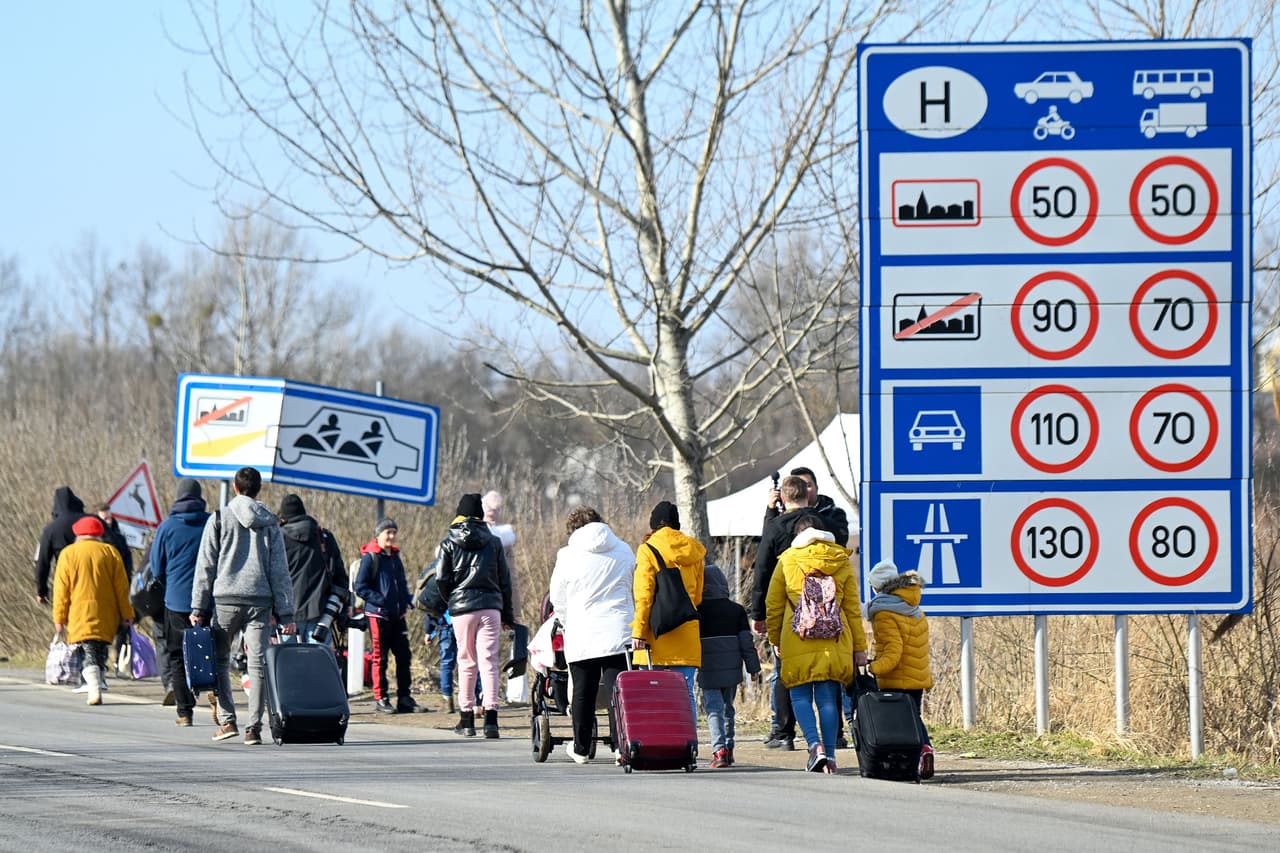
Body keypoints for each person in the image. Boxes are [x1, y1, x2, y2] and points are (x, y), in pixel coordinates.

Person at [190, 466, 296, 746]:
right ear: (258, 489)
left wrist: (198, 607)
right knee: (258, 663)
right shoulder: (270, 523)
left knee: (221, 661)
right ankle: (253, 728)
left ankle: (227, 722)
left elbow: (205, 566)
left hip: (225, 600)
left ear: (235, 488)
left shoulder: (219, 518)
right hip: (260, 602)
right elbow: (279, 571)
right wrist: (286, 612)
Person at [766, 515, 866, 774]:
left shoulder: (787, 560)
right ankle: (830, 756)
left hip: (796, 635)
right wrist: (859, 648)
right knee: (827, 698)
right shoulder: (840, 560)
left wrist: (775, 638)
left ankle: (814, 745)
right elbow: (853, 609)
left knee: (799, 695)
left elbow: (774, 604)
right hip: (835, 639)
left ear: (797, 536)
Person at [548, 506, 635, 764]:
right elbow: (633, 586)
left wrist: (566, 621)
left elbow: (558, 597)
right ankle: (622, 746)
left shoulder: (567, 555)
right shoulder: (624, 549)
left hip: (582, 631)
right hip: (618, 630)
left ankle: (582, 748)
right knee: (616, 692)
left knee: (583, 693)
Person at [437, 493, 514, 739]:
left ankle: (466, 719)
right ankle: (491, 720)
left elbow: (441, 578)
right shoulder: (494, 542)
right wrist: (507, 614)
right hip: (491, 607)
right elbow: (505, 580)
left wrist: (451, 599)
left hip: (462, 610)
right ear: (480, 515)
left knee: (466, 661)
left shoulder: (448, 542)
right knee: (489, 662)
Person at [751, 475, 817, 750]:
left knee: (784, 671)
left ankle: (784, 732)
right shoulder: (821, 525)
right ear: (808, 493)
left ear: (783, 498)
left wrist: (759, 613)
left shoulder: (777, 526)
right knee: (826, 673)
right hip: (824, 607)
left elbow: (762, 568)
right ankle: (833, 733)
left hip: (789, 608)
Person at [631, 500, 704, 727]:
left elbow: (644, 596)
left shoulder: (648, 550)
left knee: (653, 695)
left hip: (656, 637)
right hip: (686, 633)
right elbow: (698, 597)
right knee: (685, 694)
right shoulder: (694, 550)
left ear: (653, 525)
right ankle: (688, 744)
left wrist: (639, 633)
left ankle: (657, 742)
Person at [51, 516, 133, 706]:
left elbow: (61, 590)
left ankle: (94, 686)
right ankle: (99, 680)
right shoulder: (110, 552)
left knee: (87, 650)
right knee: (100, 650)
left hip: (78, 612)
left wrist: (59, 618)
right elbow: (122, 588)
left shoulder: (68, 554)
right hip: (106, 612)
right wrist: (127, 614)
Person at [866, 559, 935, 779]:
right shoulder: (914, 608)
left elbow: (893, 651)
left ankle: (917, 754)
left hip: (896, 677)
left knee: (901, 725)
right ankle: (925, 749)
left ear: (879, 587)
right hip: (918, 674)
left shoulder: (884, 612)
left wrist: (873, 667)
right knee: (915, 717)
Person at [150, 478, 211, 726]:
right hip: (208, 600)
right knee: (209, 652)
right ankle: (215, 694)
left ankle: (185, 712)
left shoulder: (167, 527)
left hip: (176, 600)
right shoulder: (210, 523)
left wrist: (171, 585)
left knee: (177, 656)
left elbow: (156, 568)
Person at [697, 562, 760, 769]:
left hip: (708, 668)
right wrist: (753, 668)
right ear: (723, 584)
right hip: (732, 669)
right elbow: (746, 643)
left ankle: (719, 750)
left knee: (713, 709)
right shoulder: (737, 611)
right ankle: (729, 748)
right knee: (728, 708)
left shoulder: (697, 611)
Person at [354, 518, 416, 715]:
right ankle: (381, 698)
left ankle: (405, 698)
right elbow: (360, 587)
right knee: (380, 658)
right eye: (387, 532)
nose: (391, 536)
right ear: (378, 534)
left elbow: (402, 582)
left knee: (404, 656)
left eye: (393, 532)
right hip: (378, 616)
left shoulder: (395, 556)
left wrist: (406, 600)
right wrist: (380, 600)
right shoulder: (370, 558)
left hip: (398, 616)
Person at [277, 493, 347, 644]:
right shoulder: (324, 537)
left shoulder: (278, 538)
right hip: (321, 617)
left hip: (287, 617)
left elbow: (270, 578)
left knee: (287, 665)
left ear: (283, 517)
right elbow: (340, 578)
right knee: (316, 665)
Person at [483, 490, 528, 704]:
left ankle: (485, 694)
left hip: (493, 601)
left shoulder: (505, 538)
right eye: (491, 508)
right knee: (481, 652)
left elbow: (512, 578)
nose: (494, 512)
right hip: (483, 601)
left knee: (488, 651)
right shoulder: (494, 537)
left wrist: (515, 611)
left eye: (497, 508)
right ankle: (481, 695)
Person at [764, 466, 849, 547]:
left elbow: (841, 540)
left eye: (807, 486)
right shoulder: (782, 516)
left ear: (817, 487)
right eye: (796, 487)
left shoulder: (834, 513)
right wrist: (771, 509)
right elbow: (768, 541)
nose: (801, 490)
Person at [34, 486, 89, 605]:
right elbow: (116, 546)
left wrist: (42, 591)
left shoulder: (50, 530)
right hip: (97, 578)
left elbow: (42, 562)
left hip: (68, 582)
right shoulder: (93, 522)